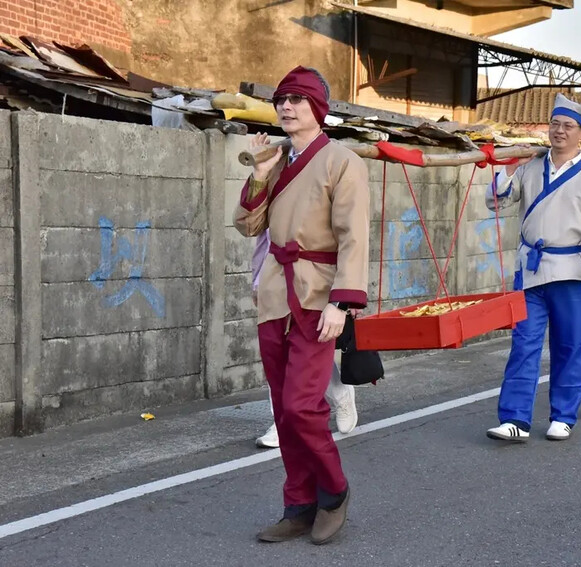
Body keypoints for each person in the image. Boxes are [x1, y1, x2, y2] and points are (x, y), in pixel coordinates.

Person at [233, 66, 369, 545]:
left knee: (302, 406)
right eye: (281, 100)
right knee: (282, 406)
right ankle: (299, 504)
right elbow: (249, 227)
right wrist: (259, 175)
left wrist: (343, 303)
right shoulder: (276, 160)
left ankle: (333, 492)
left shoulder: (342, 161)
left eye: (297, 99)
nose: (286, 107)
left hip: (318, 295)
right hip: (274, 292)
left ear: (318, 108)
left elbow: (355, 236)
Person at [484, 94, 581, 442]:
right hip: (531, 269)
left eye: (568, 126)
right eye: (555, 124)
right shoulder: (531, 166)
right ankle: (515, 418)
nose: (560, 131)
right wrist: (508, 170)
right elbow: (496, 200)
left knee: (569, 344)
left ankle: (563, 413)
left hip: (572, 271)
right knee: (524, 343)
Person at [251, 228, 359, 449]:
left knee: (310, 355)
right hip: (275, 283)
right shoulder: (275, 194)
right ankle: (281, 424)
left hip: (315, 285)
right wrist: (257, 283)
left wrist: (349, 295)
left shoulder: (326, 193)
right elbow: (263, 240)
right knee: (280, 356)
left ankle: (341, 394)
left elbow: (349, 240)